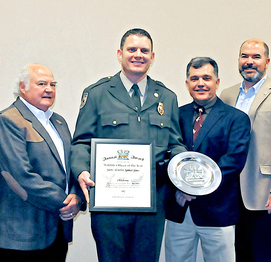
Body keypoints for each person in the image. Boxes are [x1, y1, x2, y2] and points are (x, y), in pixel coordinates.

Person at [71, 28, 186, 262]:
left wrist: (186, 172)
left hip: (152, 203)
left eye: (144, 51)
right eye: (131, 49)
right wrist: (82, 171)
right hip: (109, 205)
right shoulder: (97, 93)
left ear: (152, 57)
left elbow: (175, 144)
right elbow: (82, 142)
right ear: (119, 54)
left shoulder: (167, 97)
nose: (138, 55)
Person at [0, 64, 84, 261]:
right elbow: (19, 175)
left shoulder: (60, 123)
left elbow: (71, 168)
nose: (49, 89)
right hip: (21, 234)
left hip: (57, 232)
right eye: (41, 83)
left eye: (52, 84)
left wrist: (77, 196)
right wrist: (65, 201)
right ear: (23, 87)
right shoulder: (8, 121)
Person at [219, 38, 271, 262]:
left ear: (267, 61)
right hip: (231, 194)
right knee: (238, 255)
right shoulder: (226, 95)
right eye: (244, 56)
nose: (249, 62)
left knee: (266, 255)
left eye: (256, 57)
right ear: (238, 60)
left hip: (266, 194)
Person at [164, 57, 250, 261]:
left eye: (206, 78)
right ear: (187, 84)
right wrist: (180, 190)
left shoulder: (236, 119)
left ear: (217, 82)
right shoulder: (174, 115)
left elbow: (233, 163)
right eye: (194, 79)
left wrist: (193, 189)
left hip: (218, 211)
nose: (200, 83)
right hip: (180, 210)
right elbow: (166, 154)